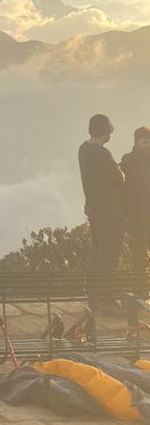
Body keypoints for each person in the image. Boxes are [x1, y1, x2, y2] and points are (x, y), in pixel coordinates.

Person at [78, 113, 125, 313]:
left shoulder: (83, 149)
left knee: (97, 252)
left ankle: (95, 297)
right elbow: (119, 178)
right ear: (105, 131)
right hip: (108, 210)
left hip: (93, 208)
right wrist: (121, 171)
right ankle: (107, 299)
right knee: (110, 252)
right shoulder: (102, 154)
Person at [121, 127, 150, 280]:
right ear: (136, 142)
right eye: (145, 142)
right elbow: (122, 190)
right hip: (136, 219)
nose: (148, 145)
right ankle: (141, 294)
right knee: (139, 259)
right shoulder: (127, 161)